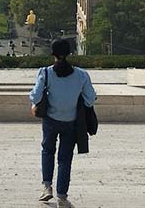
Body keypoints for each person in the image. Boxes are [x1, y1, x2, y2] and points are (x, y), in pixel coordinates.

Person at [29, 39, 97, 207]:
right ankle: (62, 196)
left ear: (53, 55)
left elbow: (35, 97)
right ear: (69, 54)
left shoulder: (45, 72)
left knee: (47, 151)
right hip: (71, 122)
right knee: (65, 160)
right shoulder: (81, 75)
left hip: (51, 120)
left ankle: (47, 187)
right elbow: (90, 99)